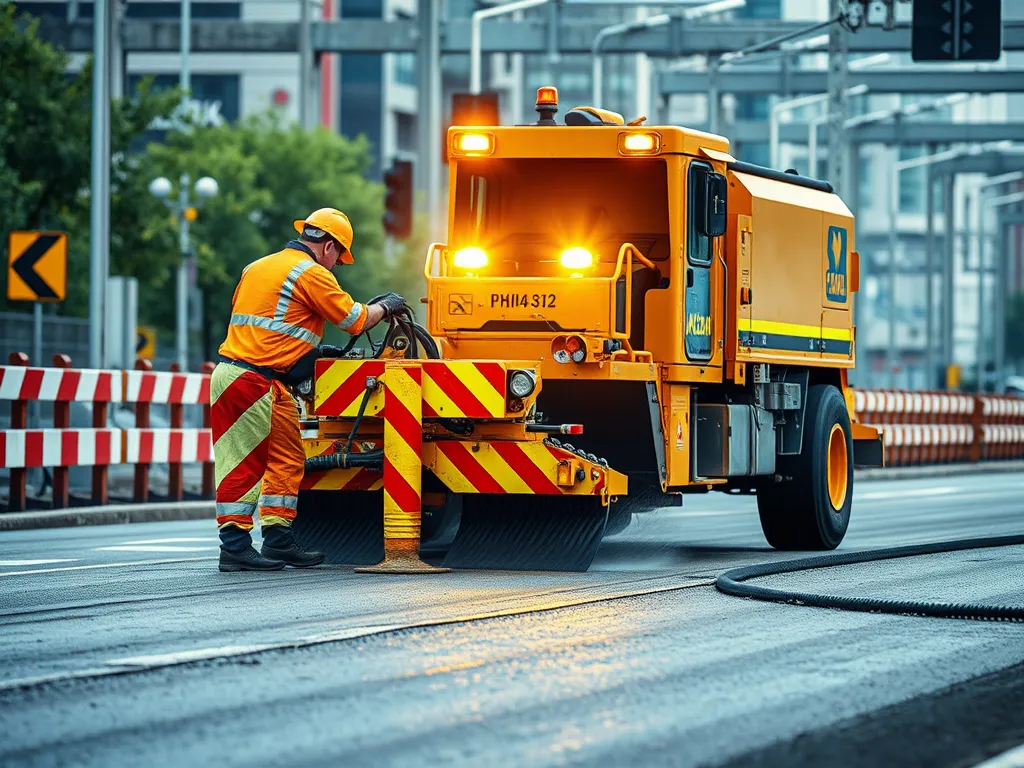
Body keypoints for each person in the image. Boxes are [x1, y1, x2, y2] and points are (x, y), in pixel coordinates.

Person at [211, 207, 406, 572]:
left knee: (287, 458)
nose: (336, 267)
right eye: (339, 259)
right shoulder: (311, 272)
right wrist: (385, 306)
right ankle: (234, 546)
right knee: (245, 463)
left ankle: (278, 539)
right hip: (250, 379)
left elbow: (268, 324)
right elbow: (354, 320)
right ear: (329, 246)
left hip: (263, 380)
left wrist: (307, 352)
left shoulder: (258, 267)